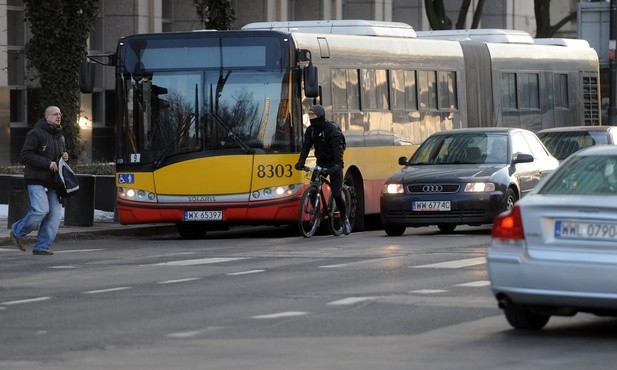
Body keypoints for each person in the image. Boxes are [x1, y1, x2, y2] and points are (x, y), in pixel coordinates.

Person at [10, 106, 69, 255]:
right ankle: (17, 231)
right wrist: (47, 163)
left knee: (55, 216)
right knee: (41, 211)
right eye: (55, 114)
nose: (58, 116)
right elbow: (25, 155)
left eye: (60, 114)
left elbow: (57, 158)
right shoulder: (35, 133)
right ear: (46, 117)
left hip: (53, 182)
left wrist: (65, 157)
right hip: (36, 179)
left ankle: (41, 247)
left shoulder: (59, 135)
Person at [295, 104, 351, 235]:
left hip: (334, 164)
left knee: (337, 193)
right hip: (321, 162)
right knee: (313, 186)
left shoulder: (332, 130)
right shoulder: (311, 130)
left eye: (313, 116)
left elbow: (338, 149)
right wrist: (301, 161)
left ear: (320, 116)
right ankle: (316, 210)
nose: (311, 118)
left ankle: (344, 219)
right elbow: (306, 146)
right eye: (309, 116)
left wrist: (337, 165)